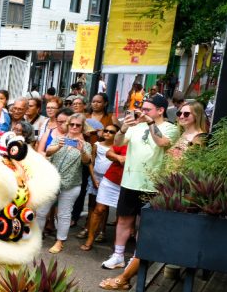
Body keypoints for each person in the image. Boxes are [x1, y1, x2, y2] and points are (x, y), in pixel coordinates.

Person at [101, 93, 178, 270]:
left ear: (160, 110)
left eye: (147, 110)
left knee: (144, 223)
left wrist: (150, 123)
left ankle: (137, 258)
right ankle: (118, 255)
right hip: (129, 181)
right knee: (123, 220)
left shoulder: (170, 128)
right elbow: (118, 142)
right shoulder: (136, 126)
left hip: (152, 184)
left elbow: (161, 142)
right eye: (142, 109)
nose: (142, 112)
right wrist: (123, 128)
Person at [39, 113, 92, 254]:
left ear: (82, 127)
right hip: (52, 181)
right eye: (72, 124)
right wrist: (58, 146)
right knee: (41, 211)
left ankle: (60, 241)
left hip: (71, 184)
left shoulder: (85, 145)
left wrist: (81, 151)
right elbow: (48, 152)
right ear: (68, 125)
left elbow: (87, 161)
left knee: (64, 214)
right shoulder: (58, 139)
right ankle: (36, 237)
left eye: (78, 125)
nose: (74, 127)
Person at [79, 123, 120, 251]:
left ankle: (102, 231)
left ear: (117, 134)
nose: (107, 133)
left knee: (104, 207)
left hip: (110, 179)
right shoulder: (96, 145)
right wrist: (93, 178)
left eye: (111, 132)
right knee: (93, 205)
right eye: (106, 131)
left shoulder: (117, 147)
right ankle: (88, 228)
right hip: (95, 177)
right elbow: (91, 162)